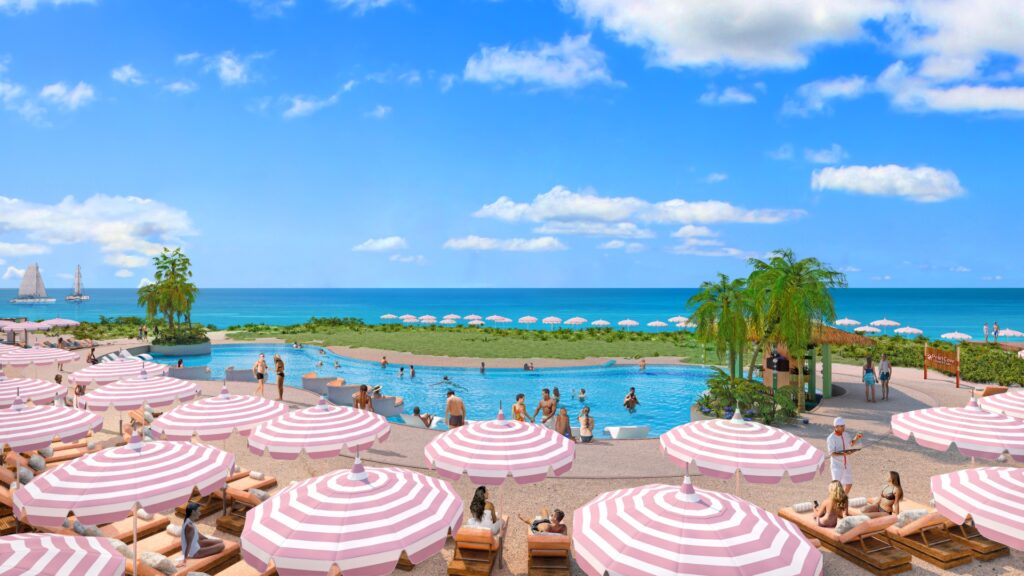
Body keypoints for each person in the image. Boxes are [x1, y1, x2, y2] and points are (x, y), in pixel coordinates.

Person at [177, 502, 225, 567]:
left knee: (220, 541)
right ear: (193, 512)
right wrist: (184, 560)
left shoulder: (188, 521)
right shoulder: (189, 526)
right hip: (196, 552)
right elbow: (188, 544)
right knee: (221, 545)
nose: (200, 513)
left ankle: (207, 544)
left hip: (197, 543)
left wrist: (208, 540)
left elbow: (197, 534)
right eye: (199, 511)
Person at [827, 417, 862, 495]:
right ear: (836, 427)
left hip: (846, 465)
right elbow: (831, 453)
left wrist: (856, 438)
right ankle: (834, 503)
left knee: (849, 484)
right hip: (836, 466)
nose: (843, 428)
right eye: (841, 426)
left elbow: (850, 444)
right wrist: (844, 454)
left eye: (844, 426)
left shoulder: (846, 434)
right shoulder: (831, 438)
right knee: (836, 487)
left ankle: (843, 499)